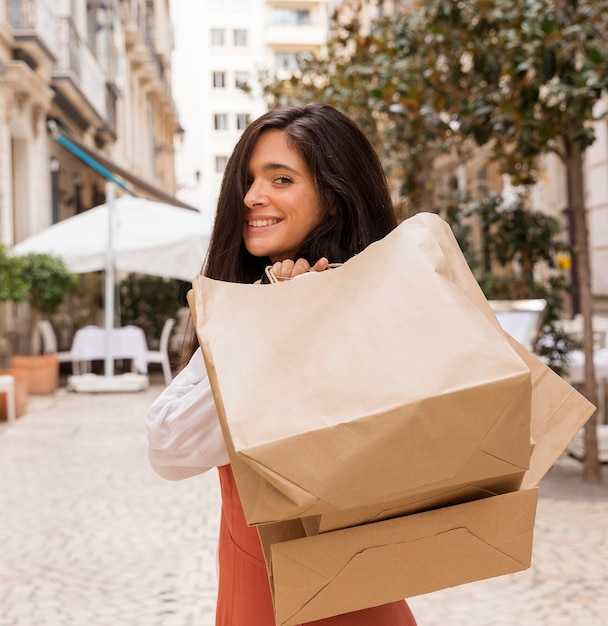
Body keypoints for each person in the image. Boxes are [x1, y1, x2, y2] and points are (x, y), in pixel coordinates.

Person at [146, 104, 418, 626]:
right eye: (248, 180)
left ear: (335, 200)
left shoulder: (377, 316)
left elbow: (171, 447)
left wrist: (280, 322)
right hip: (265, 600)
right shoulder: (254, 311)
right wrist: (272, 317)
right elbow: (171, 449)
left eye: (281, 179)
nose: (252, 197)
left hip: (335, 602)